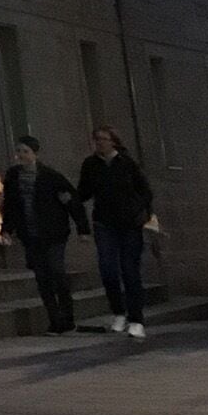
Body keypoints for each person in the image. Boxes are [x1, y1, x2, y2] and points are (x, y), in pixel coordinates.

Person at [2, 137, 85, 334]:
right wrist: (7, 229)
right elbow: (11, 205)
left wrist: (83, 228)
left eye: (25, 152)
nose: (21, 155)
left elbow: (71, 201)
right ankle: (55, 320)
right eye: (19, 151)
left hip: (53, 232)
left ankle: (67, 316)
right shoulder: (13, 176)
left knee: (56, 271)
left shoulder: (50, 177)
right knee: (42, 277)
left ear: (34, 154)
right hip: (30, 235)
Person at [78, 126, 154, 338]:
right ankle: (119, 311)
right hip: (105, 223)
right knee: (108, 269)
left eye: (104, 139)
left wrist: (138, 210)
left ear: (113, 141)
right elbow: (83, 191)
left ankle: (136, 319)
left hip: (129, 224)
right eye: (97, 139)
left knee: (130, 270)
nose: (100, 143)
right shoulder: (91, 165)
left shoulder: (126, 163)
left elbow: (145, 190)